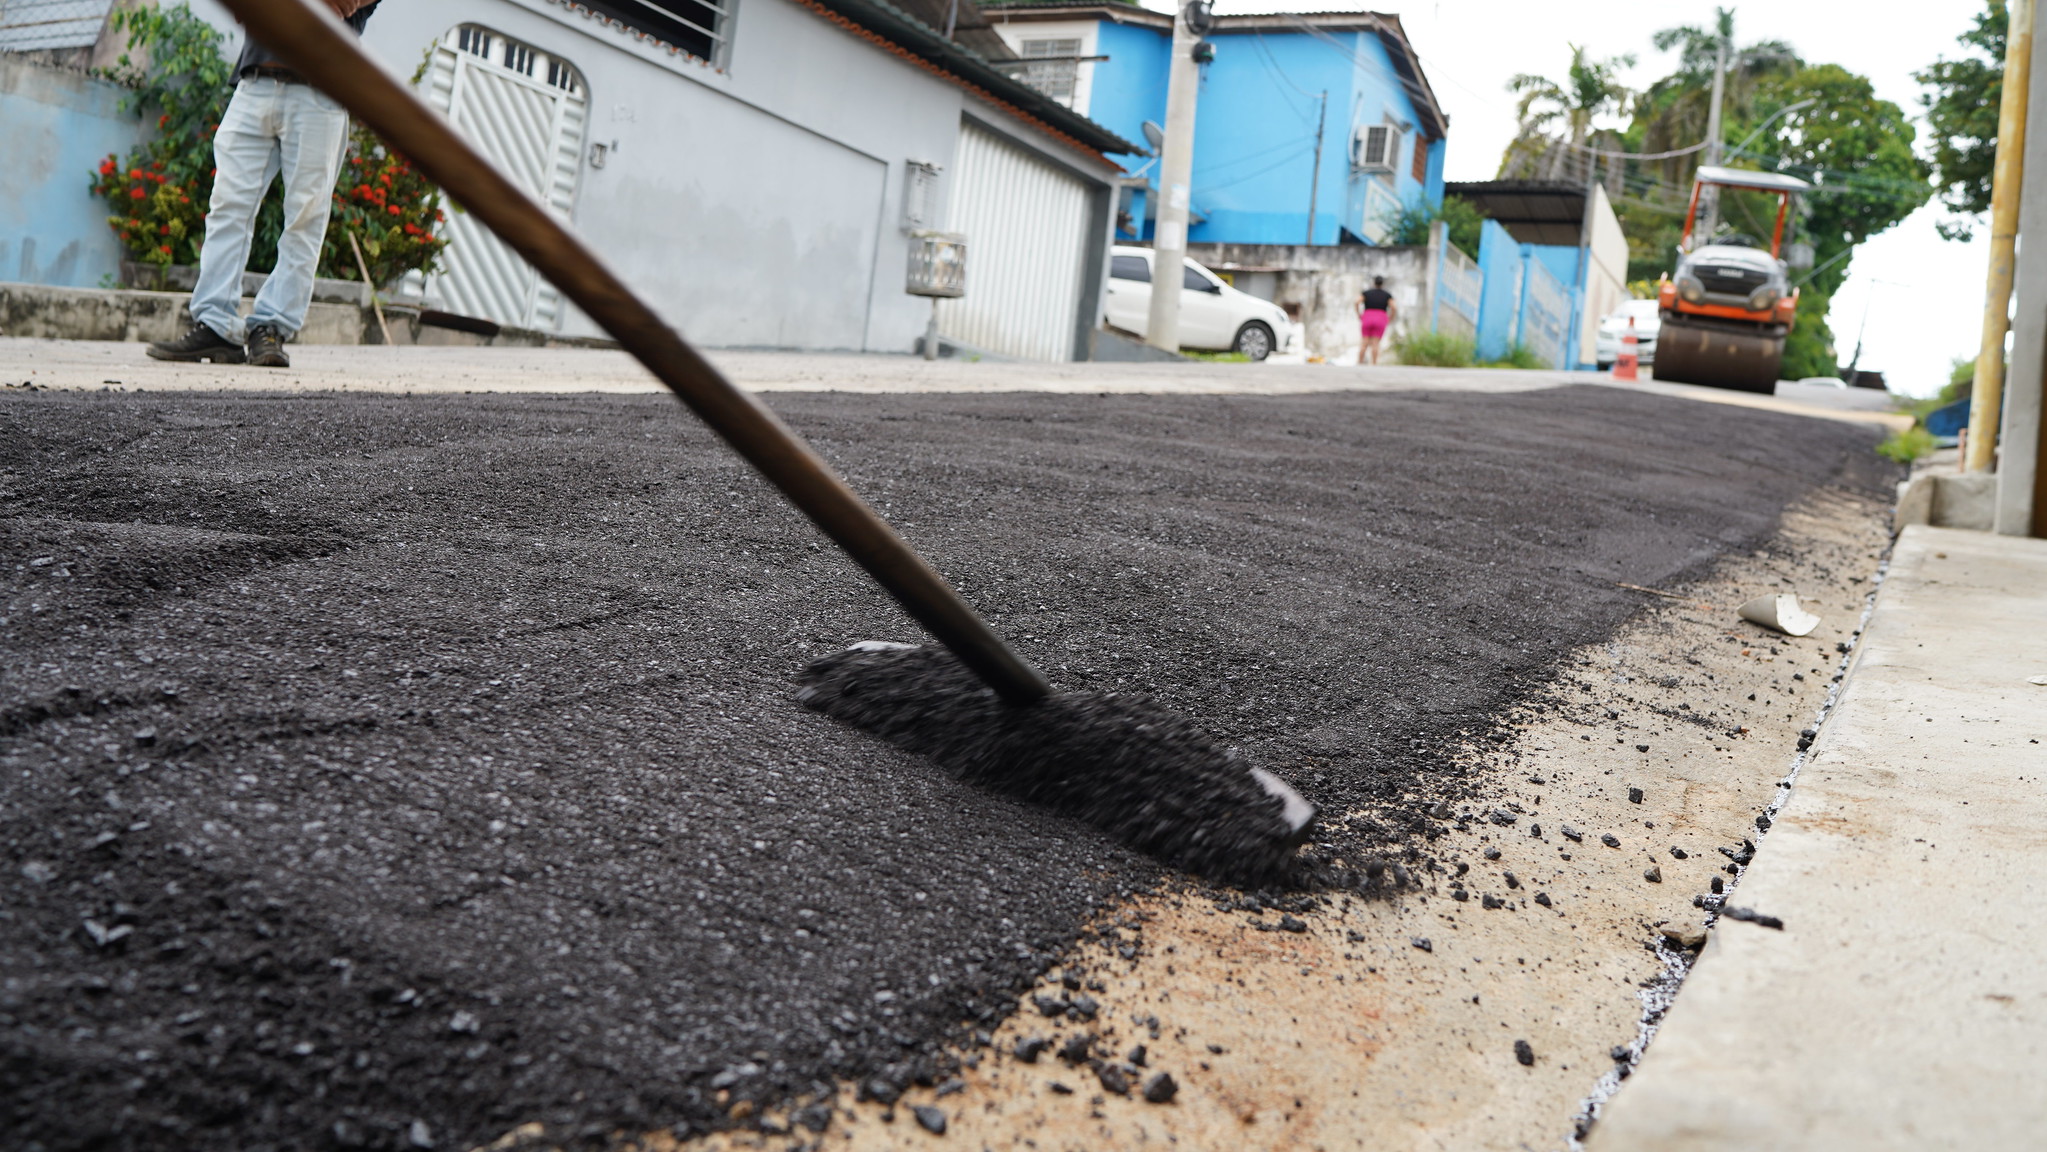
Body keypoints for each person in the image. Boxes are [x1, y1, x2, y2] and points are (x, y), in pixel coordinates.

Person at [147, 1, 382, 368]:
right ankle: (215, 325)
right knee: (227, 205)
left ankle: (272, 326)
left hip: (320, 90)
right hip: (254, 83)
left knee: (305, 215)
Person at [1357, 277, 1395, 365]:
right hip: (1381, 318)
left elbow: (1356, 302)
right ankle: (1374, 364)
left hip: (1367, 317)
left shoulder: (1366, 293)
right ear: (1382, 283)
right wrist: (1390, 318)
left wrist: (1358, 314)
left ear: (1374, 283)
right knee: (1375, 343)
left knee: (1364, 343)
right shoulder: (1387, 295)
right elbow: (1394, 307)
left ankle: (1360, 362)